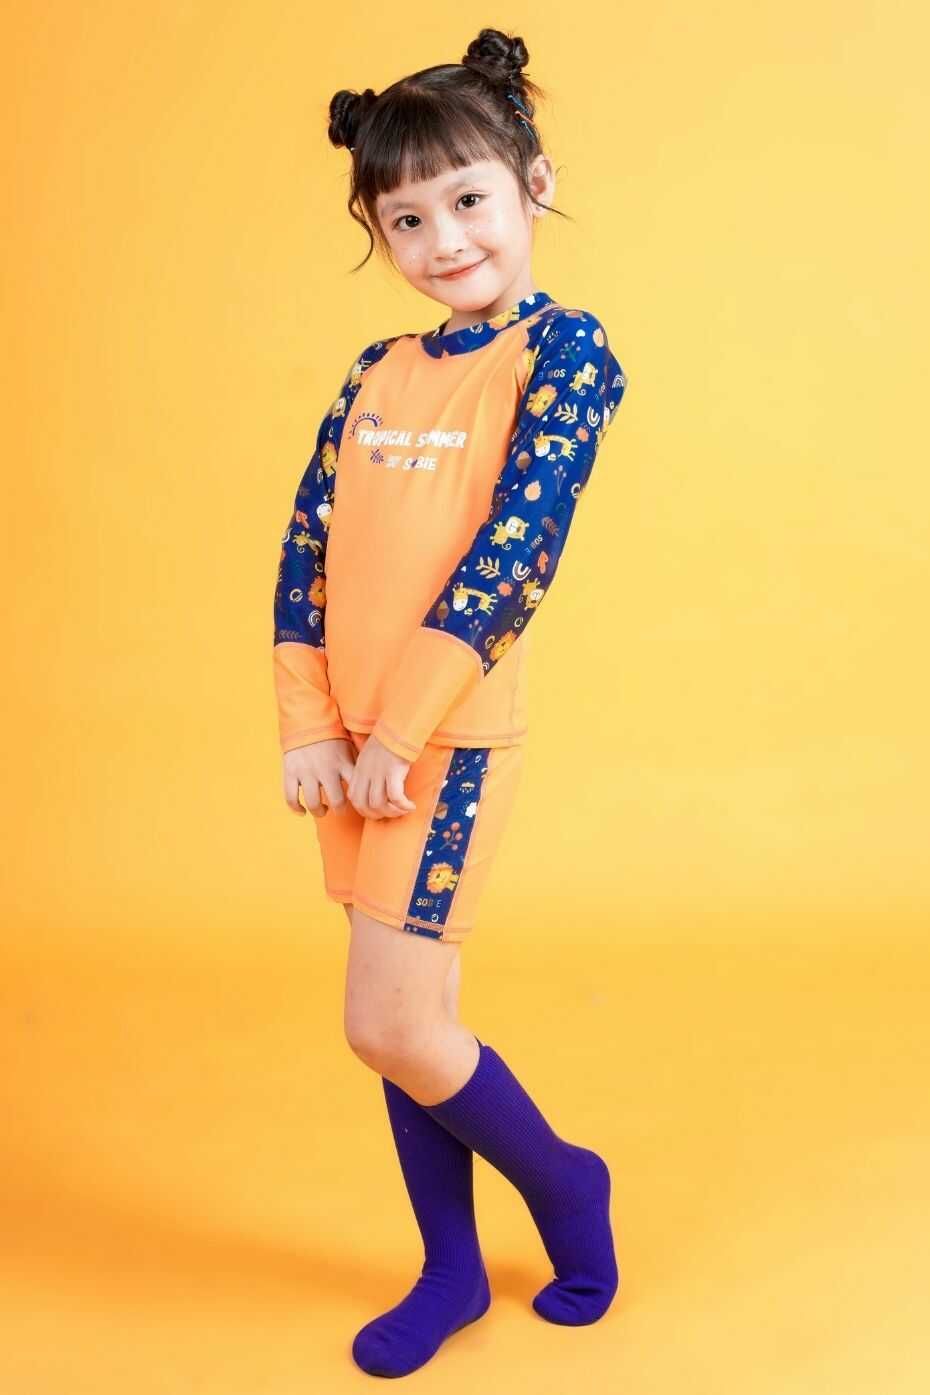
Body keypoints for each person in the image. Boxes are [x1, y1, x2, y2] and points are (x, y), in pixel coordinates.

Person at [271, 26, 629, 1379]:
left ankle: (566, 1181)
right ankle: (452, 1270)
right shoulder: (375, 369)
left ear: (533, 184)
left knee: (389, 1022)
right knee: (405, 1024)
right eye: (405, 219)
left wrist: (398, 733)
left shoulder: (565, 354)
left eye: (468, 200)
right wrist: (314, 726)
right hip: (355, 748)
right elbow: (305, 553)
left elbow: (508, 563)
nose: (443, 240)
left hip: (441, 743)